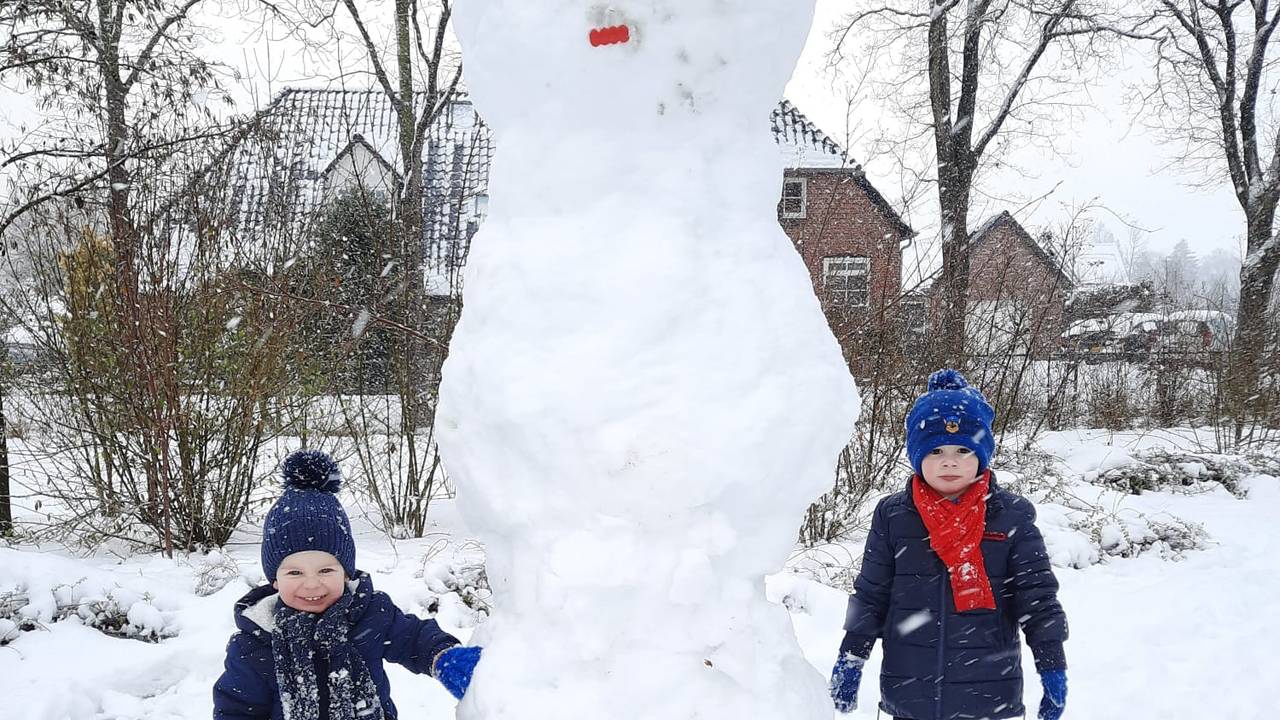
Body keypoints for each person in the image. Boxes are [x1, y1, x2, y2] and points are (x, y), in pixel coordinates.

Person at [829, 369, 1068, 720]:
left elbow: (1037, 598)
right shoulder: (894, 516)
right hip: (911, 692)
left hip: (988, 693)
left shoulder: (1010, 516)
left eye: (963, 449)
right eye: (936, 449)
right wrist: (851, 657)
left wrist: (1052, 666)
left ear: (982, 453)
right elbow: (871, 594)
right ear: (917, 454)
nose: (949, 461)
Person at [213, 450, 482, 719]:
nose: (311, 584)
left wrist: (442, 657)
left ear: (346, 574)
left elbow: (414, 638)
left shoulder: (370, 614)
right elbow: (236, 709)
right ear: (274, 579)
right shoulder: (256, 642)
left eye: (326, 570)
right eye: (295, 572)